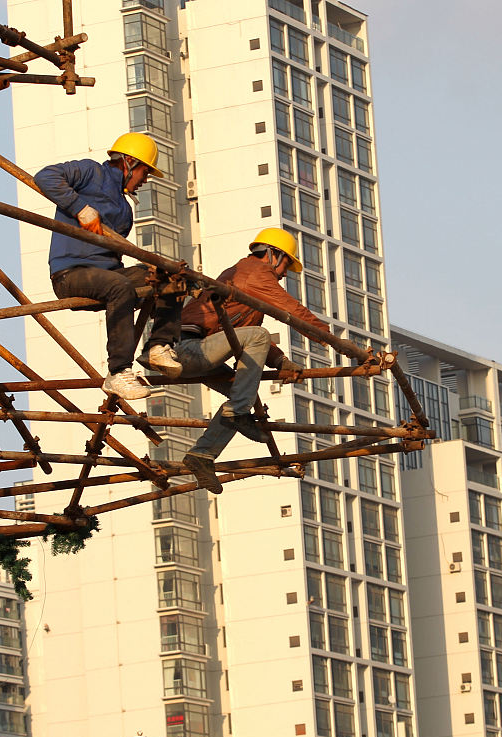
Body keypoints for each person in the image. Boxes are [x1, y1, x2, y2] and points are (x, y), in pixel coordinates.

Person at [178, 228, 328, 494]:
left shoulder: (244, 277)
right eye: (286, 265)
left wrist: (280, 360)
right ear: (273, 254)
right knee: (242, 397)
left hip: (203, 351)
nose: (284, 274)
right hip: (187, 348)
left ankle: (202, 454)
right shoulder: (255, 273)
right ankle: (239, 412)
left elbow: (241, 335)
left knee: (241, 391)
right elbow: (290, 310)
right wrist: (328, 337)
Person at [35, 132, 182, 402]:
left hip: (108, 276)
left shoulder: (124, 209)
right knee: (120, 285)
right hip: (71, 274)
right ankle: (118, 371)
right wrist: (80, 208)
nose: (145, 180)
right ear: (129, 162)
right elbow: (45, 176)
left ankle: (159, 345)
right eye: (145, 172)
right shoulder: (90, 172)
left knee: (170, 277)